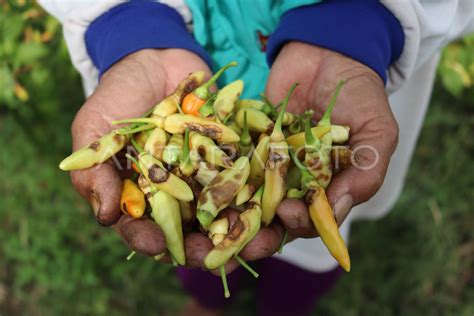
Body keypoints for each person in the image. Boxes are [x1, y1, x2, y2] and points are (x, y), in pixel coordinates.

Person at [38, 1, 474, 315]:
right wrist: (129, 24)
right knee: (196, 247)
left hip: (345, 60)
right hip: (164, 50)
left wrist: (358, 23)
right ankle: (207, 302)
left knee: (308, 234)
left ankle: (285, 306)